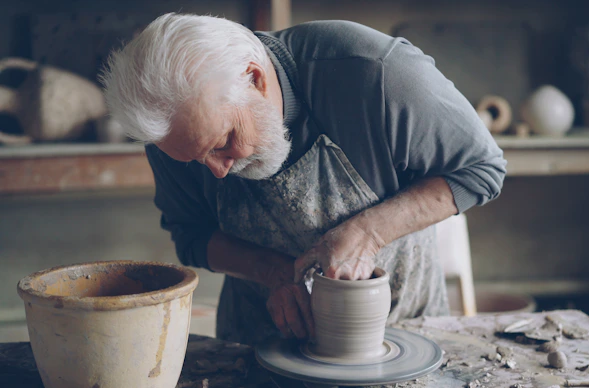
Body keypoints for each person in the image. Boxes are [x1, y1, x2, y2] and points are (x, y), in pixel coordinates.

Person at [101, 13, 507, 346]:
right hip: (262, 340)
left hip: (403, 333)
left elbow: (481, 168)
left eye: (224, 142)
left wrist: (369, 232)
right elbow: (190, 235)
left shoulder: (375, 74)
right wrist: (276, 273)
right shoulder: (172, 134)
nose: (218, 170)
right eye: (195, 159)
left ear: (254, 78)